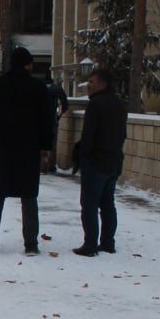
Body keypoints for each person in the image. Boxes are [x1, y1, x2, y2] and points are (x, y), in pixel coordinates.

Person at [0, 47, 54, 254]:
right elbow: (46, 120)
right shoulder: (38, 88)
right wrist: (46, 146)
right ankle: (31, 244)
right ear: (29, 64)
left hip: (0, 148)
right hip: (28, 149)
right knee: (29, 197)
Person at [74, 68, 128, 256]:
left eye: (92, 82)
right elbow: (122, 134)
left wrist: (83, 155)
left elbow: (89, 134)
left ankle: (90, 244)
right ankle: (107, 242)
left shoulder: (95, 105)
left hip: (95, 162)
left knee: (89, 204)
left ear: (103, 85)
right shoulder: (120, 104)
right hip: (113, 161)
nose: (88, 85)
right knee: (108, 204)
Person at [44, 76, 69, 173]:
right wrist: (61, 113)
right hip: (51, 120)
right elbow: (64, 103)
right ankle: (50, 165)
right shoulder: (56, 88)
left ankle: (40, 164)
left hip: (38, 120)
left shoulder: (37, 87)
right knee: (52, 143)